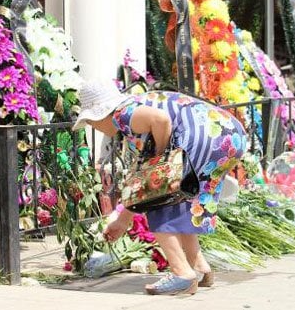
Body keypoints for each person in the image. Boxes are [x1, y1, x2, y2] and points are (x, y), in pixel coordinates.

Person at [73, 80, 247, 296]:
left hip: (204, 135)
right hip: (228, 136)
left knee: (160, 202)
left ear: (100, 114)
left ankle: (181, 273)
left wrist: (159, 159)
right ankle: (199, 269)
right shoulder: (132, 110)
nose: (93, 127)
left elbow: (160, 119)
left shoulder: (122, 114)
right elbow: (141, 189)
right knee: (182, 203)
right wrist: (123, 220)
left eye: (91, 121)